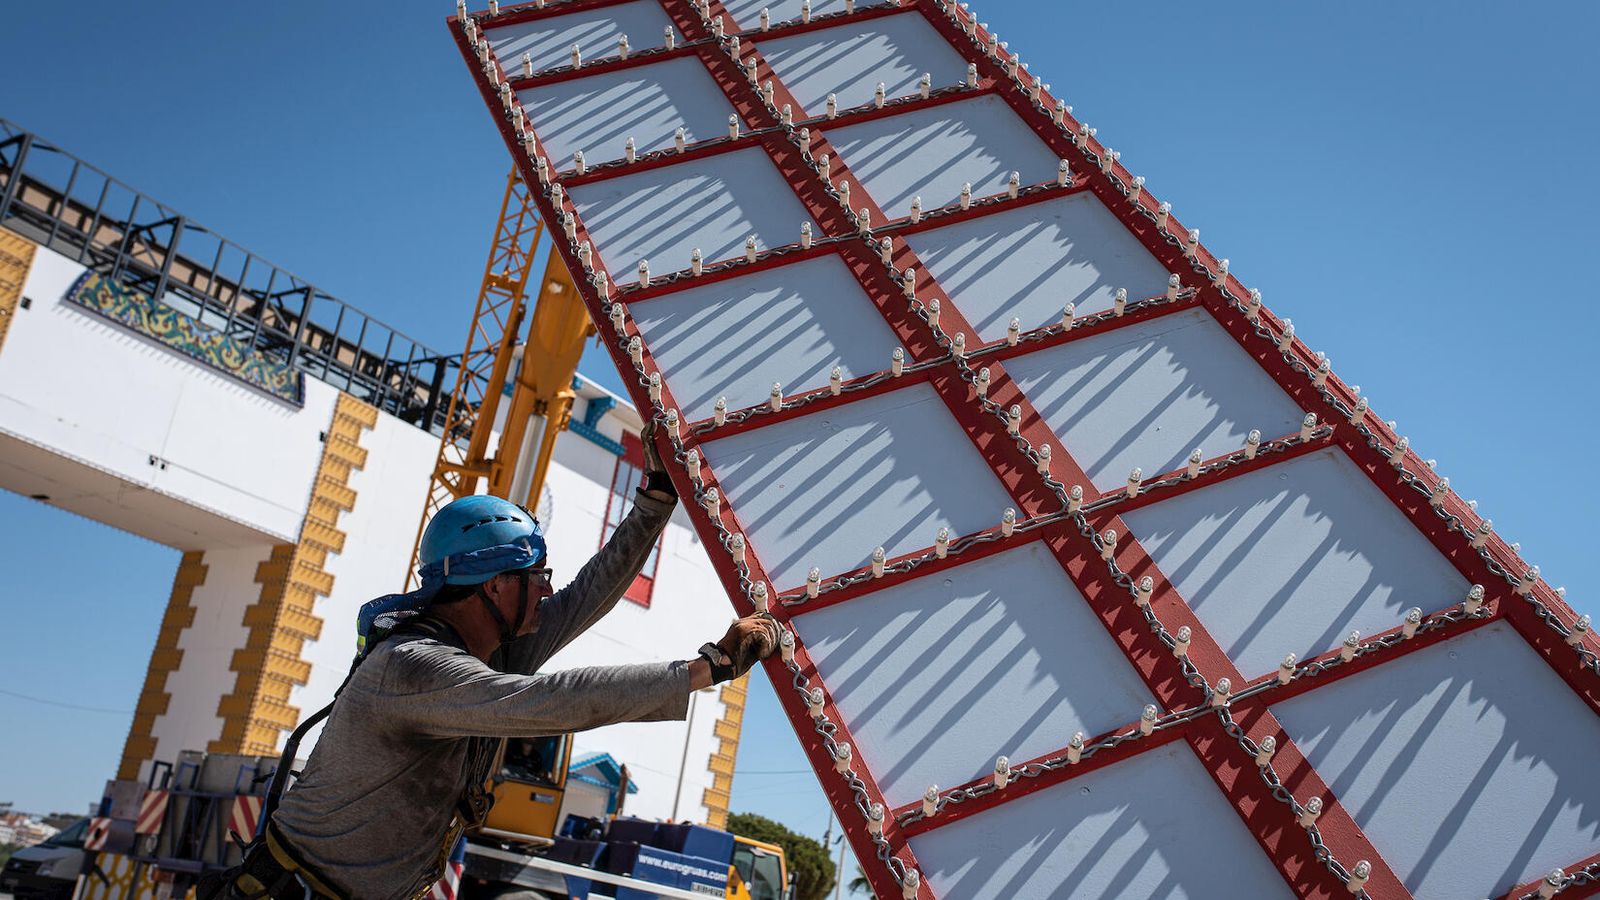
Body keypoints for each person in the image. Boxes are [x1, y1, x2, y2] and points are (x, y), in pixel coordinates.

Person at [201, 422, 779, 899]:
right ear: (496, 586)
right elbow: (550, 702)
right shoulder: (413, 667)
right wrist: (709, 667)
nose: (548, 591)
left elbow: (586, 596)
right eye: (537, 577)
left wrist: (655, 499)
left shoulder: (492, 644)